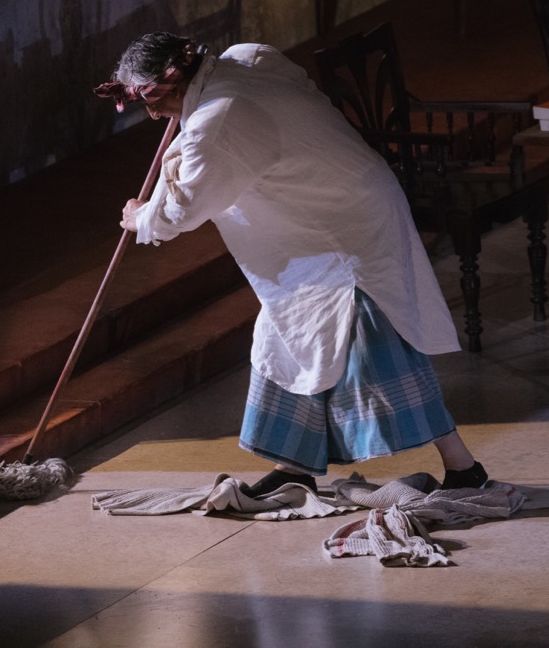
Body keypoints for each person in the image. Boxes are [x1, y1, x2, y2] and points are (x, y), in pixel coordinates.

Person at [95, 32, 487, 497]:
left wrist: (141, 217)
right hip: (328, 211)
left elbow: (183, 210)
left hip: (338, 230)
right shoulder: (247, 59)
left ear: (175, 83)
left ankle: (463, 467)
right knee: (289, 332)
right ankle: (294, 466)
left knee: (365, 338)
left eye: (153, 103)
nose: (154, 115)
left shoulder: (218, 119)